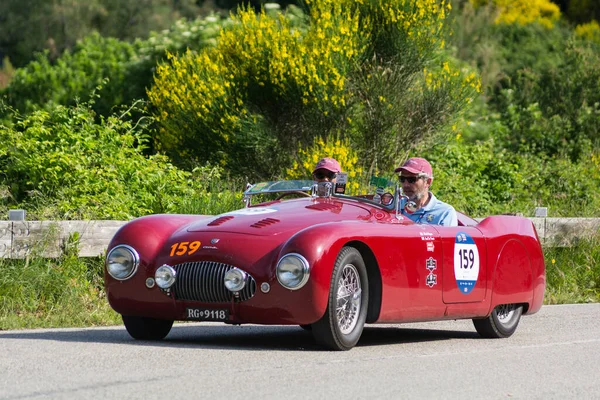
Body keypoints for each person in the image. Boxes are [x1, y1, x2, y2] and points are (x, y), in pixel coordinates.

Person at [395, 157, 458, 226]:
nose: (406, 185)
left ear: (428, 182)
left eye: (411, 179)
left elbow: (447, 236)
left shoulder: (444, 213)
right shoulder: (395, 206)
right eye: (402, 179)